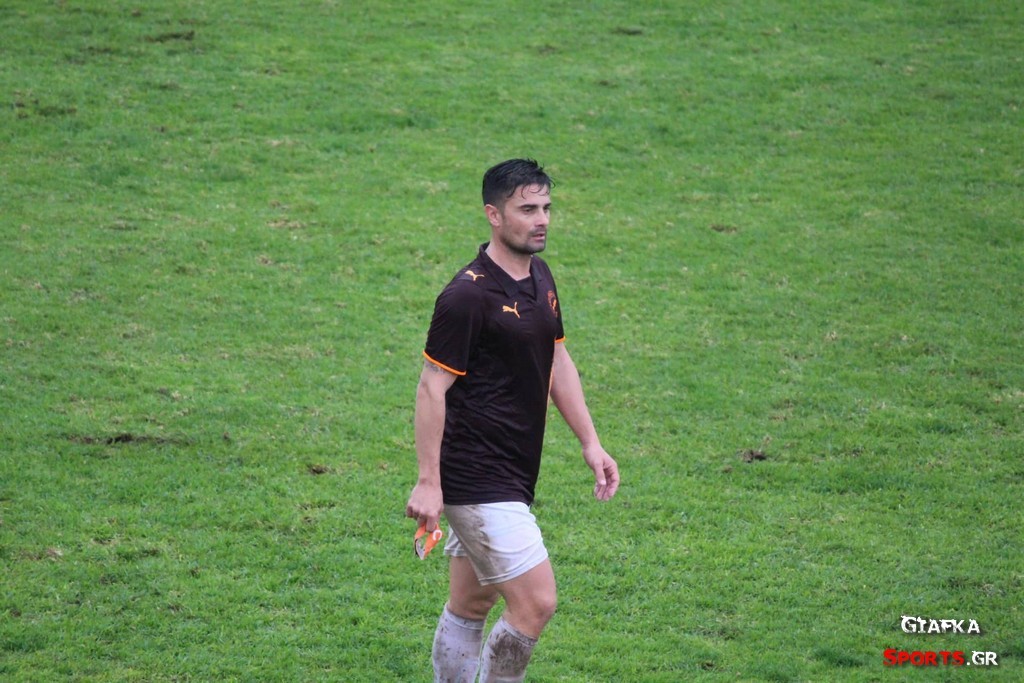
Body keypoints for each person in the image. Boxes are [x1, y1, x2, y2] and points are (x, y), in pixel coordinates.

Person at [405, 158, 620, 682]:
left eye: (546, 207)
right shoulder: (467, 295)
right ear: (494, 215)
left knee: (471, 603)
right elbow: (432, 387)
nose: (541, 219)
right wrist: (429, 482)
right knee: (536, 603)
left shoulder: (539, 275)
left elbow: (557, 359)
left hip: (513, 469)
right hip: (477, 476)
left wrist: (590, 442)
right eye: (527, 209)